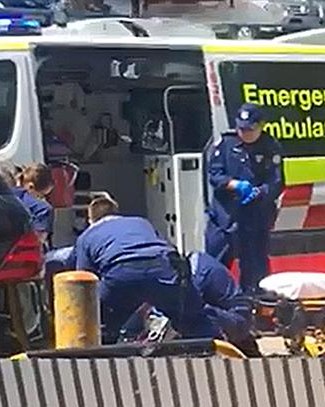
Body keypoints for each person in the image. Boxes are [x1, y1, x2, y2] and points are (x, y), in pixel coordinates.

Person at [72, 194, 214, 341]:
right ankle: (211, 349)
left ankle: (104, 352)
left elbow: (84, 278)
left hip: (120, 273)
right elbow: (168, 248)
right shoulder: (141, 222)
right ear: (116, 213)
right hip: (163, 268)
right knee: (192, 313)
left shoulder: (86, 236)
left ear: (91, 220)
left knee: (99, 320)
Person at [205, 102, 283, 294]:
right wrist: (234, 185)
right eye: (241, 128)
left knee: (255, 270)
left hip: (255, 217)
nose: (245, 133)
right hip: (225, 217)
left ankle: (253, 306)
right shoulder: (226, 144)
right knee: (214, 265)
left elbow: (276, 182)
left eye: (250, 129)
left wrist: (259, 192)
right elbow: (215, 175)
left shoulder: (270, 147)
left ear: (261, 126)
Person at [189, 250, 259, 356]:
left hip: (237, 323)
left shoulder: (204, 271)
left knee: (189, 312)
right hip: (230, 321)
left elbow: (241, 320)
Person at [14, 164, 55, 247]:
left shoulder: (5, 196)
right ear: (31, 187)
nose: (43, 199)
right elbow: (39, 239)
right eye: (41, 195)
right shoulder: (42, 208)